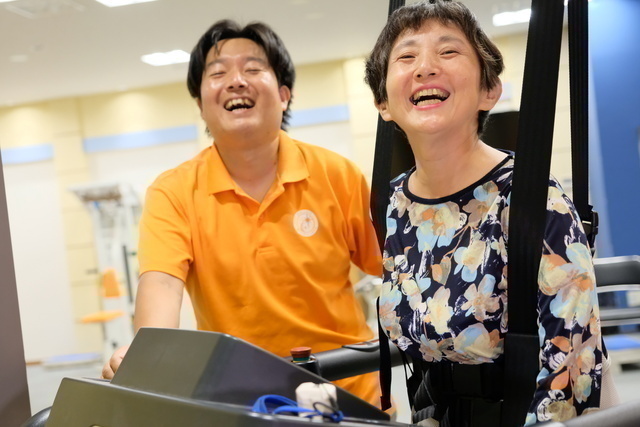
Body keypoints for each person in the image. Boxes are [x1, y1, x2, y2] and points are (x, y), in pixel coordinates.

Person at [101, 19, 382, 407]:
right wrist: (149, 354)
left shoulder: (337, 174)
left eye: (252, 69)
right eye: (217, 73)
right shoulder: (173, 191)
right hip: (240, 399)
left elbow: (392, 266)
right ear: (200, 105)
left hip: (346, 390)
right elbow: (162, 283)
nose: (235, 81)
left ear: (284, 95)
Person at [364, 0, 603, 425]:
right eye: (406, 57)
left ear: (489, 90)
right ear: (383, 102)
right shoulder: (392, 202)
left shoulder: (531, 199)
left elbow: (573, 370)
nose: (425, 68)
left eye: (448, 51)